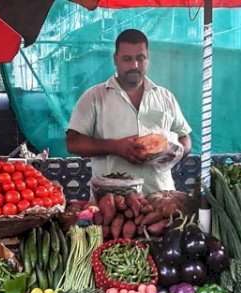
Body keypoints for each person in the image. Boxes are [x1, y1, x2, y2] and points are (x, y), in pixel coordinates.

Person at [66, 29, 192, 194]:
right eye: (127, 59)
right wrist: (115, 147)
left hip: (161, 198)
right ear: (115, 59)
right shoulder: (94, 97)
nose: (134, 66)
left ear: (148, 59)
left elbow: (185, 138)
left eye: (141, 58)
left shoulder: (165, 97)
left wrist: (171, 153)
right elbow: (73, 142)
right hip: (112, 202)